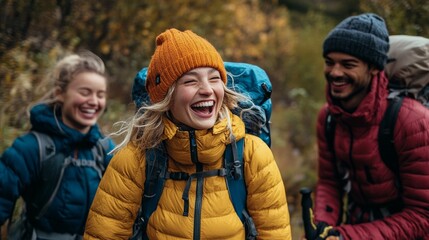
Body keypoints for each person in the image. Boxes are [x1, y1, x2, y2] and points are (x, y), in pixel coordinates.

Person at [83, 28, 291, 240]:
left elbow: (275, 235)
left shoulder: (253, 155)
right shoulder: (136, 159)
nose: (207, 89)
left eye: (214, 78)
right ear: (167, 97)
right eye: (191, 81)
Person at [313, 13, 429, 239]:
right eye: (329, 62)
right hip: (357, 224)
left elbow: (423, 215)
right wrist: (322, 227)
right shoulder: (328, 118)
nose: (335, 72)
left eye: (348, 64)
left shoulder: (412, 121)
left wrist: (346, 236)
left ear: (374, 68)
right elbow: (329, 183)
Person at [0, 51, 115, 239]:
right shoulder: (32, 148)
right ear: (60, 93)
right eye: (84, 92)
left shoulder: (104, 148)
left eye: (100, 95)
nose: (94, 101)